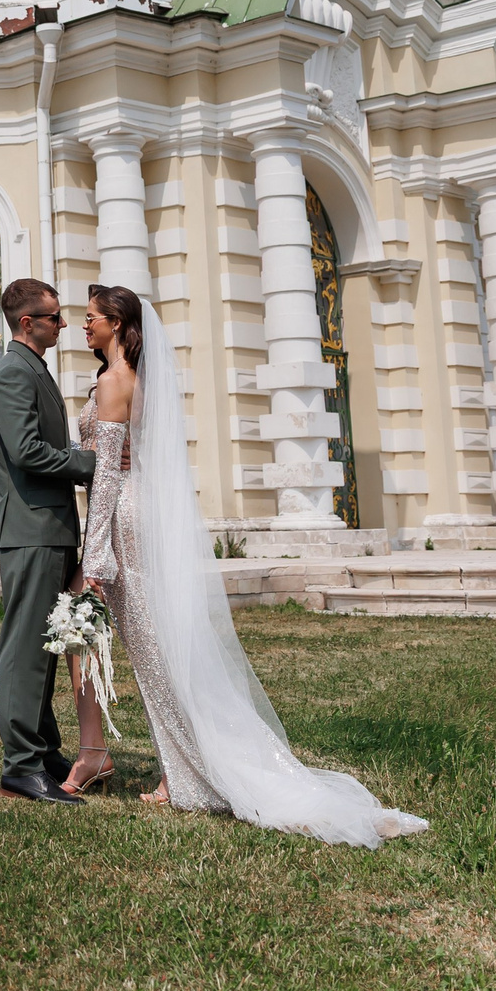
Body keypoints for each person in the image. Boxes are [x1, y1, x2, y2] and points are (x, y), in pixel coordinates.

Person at [63, 283, 428, 847]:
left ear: (116, 322)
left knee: (154, 651)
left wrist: (97, 557)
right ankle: (179, 769)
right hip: (142, 511)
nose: (83, 327)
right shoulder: (136, 378)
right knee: (158, 648)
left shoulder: (113, 382)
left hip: (124, 520)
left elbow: (109, 475)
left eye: (90, 318)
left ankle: (188, 775)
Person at [0, 276, 97, 804]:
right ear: (28, 323)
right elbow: (27, 452)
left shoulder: (34, 369)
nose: (64, 323)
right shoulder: (12, 372)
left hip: (48, 529)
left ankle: (45, 752)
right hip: (28, 531)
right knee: (26, 650)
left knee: (47, 648)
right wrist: (89, 465)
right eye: (54, 316)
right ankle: (20, 767)